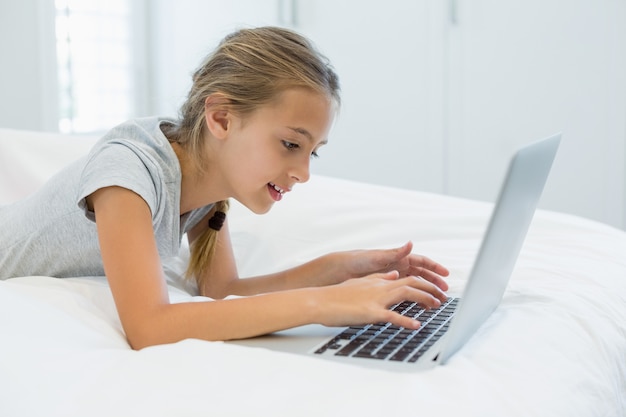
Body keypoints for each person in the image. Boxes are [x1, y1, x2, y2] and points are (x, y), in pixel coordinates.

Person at [0, 27, 449, 349]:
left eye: (311, 152)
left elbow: (221, 291)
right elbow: (149, 327)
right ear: (221, 118)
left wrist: (336, 270)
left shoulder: (207, 182)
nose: (302, 173)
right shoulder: (128, 174)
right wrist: (320, 304)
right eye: (290, 144)